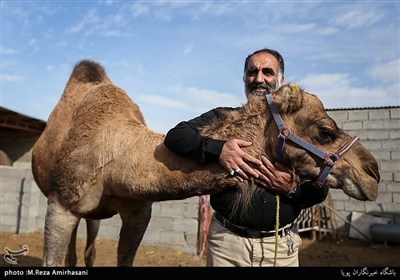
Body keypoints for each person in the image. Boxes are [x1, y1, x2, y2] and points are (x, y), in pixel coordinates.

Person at [164, 48, 329, 267]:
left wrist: (292, 189)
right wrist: (218, 149)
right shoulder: (225, 118)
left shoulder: (299, 129)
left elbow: (321, 190)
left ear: (281, 79)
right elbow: (176, 136)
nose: (259, 78)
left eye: (267, 72)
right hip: (227, 244)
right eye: (252, 72)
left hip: (280, 248)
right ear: (244, 78)